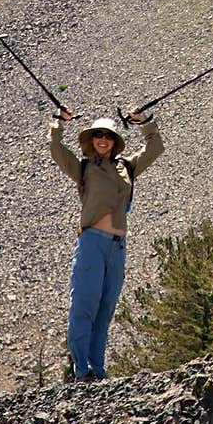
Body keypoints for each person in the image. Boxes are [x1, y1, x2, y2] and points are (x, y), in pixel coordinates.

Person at [48, 106, 164, 382]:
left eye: (108, 136)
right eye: (98, 135)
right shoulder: (83, 167)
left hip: (117, 247)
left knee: (105, 310)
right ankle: (81, 371)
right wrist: (58, 122)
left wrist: (144, 122)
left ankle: (97, 371)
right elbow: (56, 148)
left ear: (115, 141)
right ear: (91, 140)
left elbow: (155, 147)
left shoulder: (127, 167)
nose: (103, 139)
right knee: (83, 306)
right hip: (91, 243)